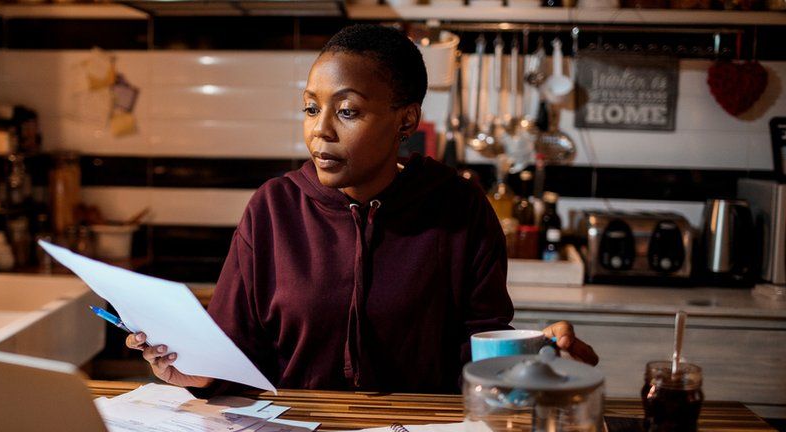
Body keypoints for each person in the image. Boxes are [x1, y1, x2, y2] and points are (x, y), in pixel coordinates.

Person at [127, 23, 598, 393]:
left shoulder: (459, 207)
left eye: (347, 111)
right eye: (311, 109)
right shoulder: (273, 209)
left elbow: (482, 354)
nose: (320, 131)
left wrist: (538, 357)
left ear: (406, 119)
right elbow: (236, 351)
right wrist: (199, 375)